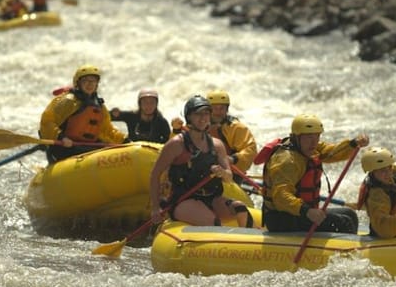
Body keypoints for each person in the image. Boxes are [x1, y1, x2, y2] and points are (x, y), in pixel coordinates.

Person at [149, 95, 253, 228]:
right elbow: (155, 174)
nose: (203, 118)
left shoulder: (217, 145)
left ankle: (244, 244)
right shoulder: (176, 144)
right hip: (184, 200)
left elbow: (229, 177)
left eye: (206, 114)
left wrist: (222, 172)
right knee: (213, 222)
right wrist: (155, 207)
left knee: (241, 209)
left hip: (212, 198)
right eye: (198, 114)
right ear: (189, 117)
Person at [259, 114, 367, 234]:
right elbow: (280, 196)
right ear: (296, 137)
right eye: (309, 137)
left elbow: (331, 152)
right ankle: (345, 251)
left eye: (317, 136)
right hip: (282, 218)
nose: (314, 142)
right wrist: (307, 211)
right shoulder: (287, 161)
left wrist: (353, 144)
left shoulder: (307, 147)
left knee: (349, 214)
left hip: (300, 213)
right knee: (344, 222)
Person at [38, 65, 126, 163]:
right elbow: (47, 122)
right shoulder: (69, 101)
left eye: (93, 81)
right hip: (64, 147)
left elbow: (107, 130)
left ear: (97, 84)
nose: (90, 84)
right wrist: (61, 137)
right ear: (78, 83)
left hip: (86, 147)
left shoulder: (100, 106)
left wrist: (125, 141)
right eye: (85, 81)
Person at [205, 90, 257, 183]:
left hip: (230, 172)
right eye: (214, 108)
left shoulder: (237, 128)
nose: (218, 112)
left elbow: (250, 149)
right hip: (203, 170)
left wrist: (233, 159)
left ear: (227, 109)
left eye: (222, 108)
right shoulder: (199, 124)